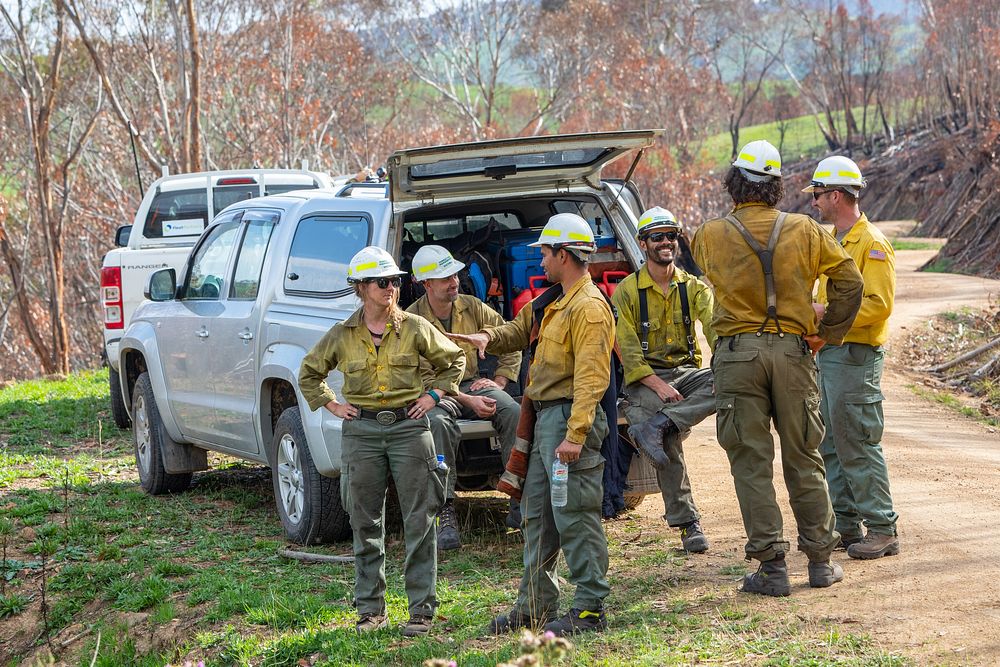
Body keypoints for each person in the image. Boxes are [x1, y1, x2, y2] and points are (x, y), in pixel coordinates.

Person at [691, 140, 864, 597]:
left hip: (737, 357)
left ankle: (772, 567)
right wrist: (828, 335)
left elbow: (710, 274)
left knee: (750, 463)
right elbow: (850, 281)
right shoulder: (807, 230)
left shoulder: (708, 234)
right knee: (805, 456)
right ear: (776, 186)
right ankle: (821, 563)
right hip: (793, 353)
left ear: (734, 183)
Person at [447, 213, 615, 636]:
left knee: (574, 512)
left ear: (564, 254)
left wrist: (576, 435)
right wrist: (487, 339)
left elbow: (593, 379)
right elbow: (519, 332)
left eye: (544, 251)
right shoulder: (552, 301)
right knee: (537, 513)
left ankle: (590, 608)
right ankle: (534, 605)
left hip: (566, 421)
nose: (539, 259)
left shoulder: (590, 308)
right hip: (544, 420)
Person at [297, 246, 465, 636]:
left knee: (420, 519)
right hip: (362, 431)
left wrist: (436, 396)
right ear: (361, 288)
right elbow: (309, 373)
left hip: (409, 427)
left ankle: (422, 611)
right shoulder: (342, 335)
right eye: (381, 281)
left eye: (395, 281)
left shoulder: (414, 327)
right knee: (363, 519)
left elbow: (454, 360)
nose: (391, 288)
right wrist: (332, 405)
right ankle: (371, 611)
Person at [805, 156, 900, 560]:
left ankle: (882, 528)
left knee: (858, 441)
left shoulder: (872, 243)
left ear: (837, 195)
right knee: (831, 444)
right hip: (831, 355)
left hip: (856, 356)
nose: (814, 202)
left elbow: (878, 305)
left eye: (819, 195)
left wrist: (827, 315)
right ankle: (847, 526)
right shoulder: (834, 242)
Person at [613, 206, 717, 553]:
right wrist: (659, 387)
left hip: (687, 373)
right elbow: (629, 353)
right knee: (667, 438)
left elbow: (717, 328)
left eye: (671, 235)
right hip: (645, 381)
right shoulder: (627, 292)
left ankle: (658, 423)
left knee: (733, 381)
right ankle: (688, 524)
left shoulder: (693, 288)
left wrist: (729, 359)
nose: (666, 242)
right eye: (657, 237)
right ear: (643, 243)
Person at [405, 244, 522, 550]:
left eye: (454, 273)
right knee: (437, 424)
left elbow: (510, 338)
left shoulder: (472, 306)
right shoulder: (410, 320)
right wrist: (467, 400)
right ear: (426, 284)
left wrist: (497, 380)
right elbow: (418, 378)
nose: (454, 281)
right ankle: (445, 510)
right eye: (444, 277)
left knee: (513, 412)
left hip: (471, 383)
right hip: (433, 393)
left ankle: (518, 496)